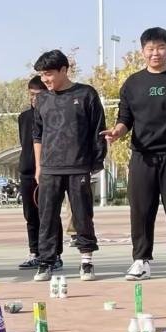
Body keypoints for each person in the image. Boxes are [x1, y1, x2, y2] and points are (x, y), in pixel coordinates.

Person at [101, 27, 166, 282]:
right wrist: (117, 131)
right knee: (140, 210)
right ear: (142, 51)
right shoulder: (133, 83)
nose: (155, 53)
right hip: (143, 156)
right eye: (150, 48)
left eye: (160, 47)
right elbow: (125, 118)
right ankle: (141, 261)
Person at [31, 50, 107, 282]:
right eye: (42, 75)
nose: (45, 79)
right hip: (49, 168)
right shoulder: (42, 99)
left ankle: (86, 261)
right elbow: (37, 135)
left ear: (64, 70)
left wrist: (96, 161)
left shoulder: (86, 94)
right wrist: (39, 166)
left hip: (78, 166)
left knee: (82, 215)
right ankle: (46, 261)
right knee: (47, 218)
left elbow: (98, 130)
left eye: (49, 74)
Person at [17, 75, 63, 270]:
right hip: (27, 172)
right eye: (31, 94)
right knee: (30, 215)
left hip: (49, 171)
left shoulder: (55, 116)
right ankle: (34, 252)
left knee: (50, 214)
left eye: (38, 94)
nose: (34, 98)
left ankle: (55, 254)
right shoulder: (23, 117)